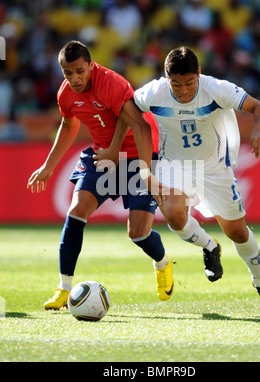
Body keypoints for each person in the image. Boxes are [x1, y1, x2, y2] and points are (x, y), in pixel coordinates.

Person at [134, 46, 260, 312]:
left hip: (215, 168)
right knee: (174, 214)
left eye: (189, 83)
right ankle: (209, 246)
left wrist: (259, 131)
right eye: (176, 85)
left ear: (199, 75)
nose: (182, 91)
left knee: (237, 232)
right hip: (174, 165)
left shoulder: (216, 88)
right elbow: (128, 112)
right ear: (166, 79)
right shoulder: (152, 93)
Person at [27, 40, 173, 309]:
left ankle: (163, 263)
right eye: (68, 73)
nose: (75, 78)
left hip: (138, 155)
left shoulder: (112, 85)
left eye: (80, 71)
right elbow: (68, 124)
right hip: (101, 156)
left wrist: (147, 174)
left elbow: (139, 126)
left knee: (138, 233)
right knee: (76, 211)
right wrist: (48, 166)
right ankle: (63, 288)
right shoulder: (65, 94)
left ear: (91, 65)